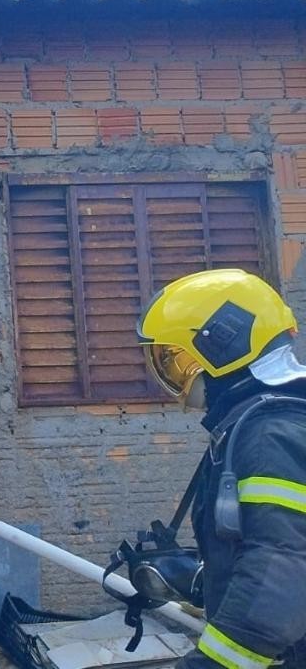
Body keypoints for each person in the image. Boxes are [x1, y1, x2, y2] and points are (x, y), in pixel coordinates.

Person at [136, 268, 306, 668]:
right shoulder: (265, 421)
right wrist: (200, 578)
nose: (175, 375)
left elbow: (282, 570)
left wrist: (210, 664)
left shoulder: (269, 433)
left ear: (225, 343)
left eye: (178, 359)